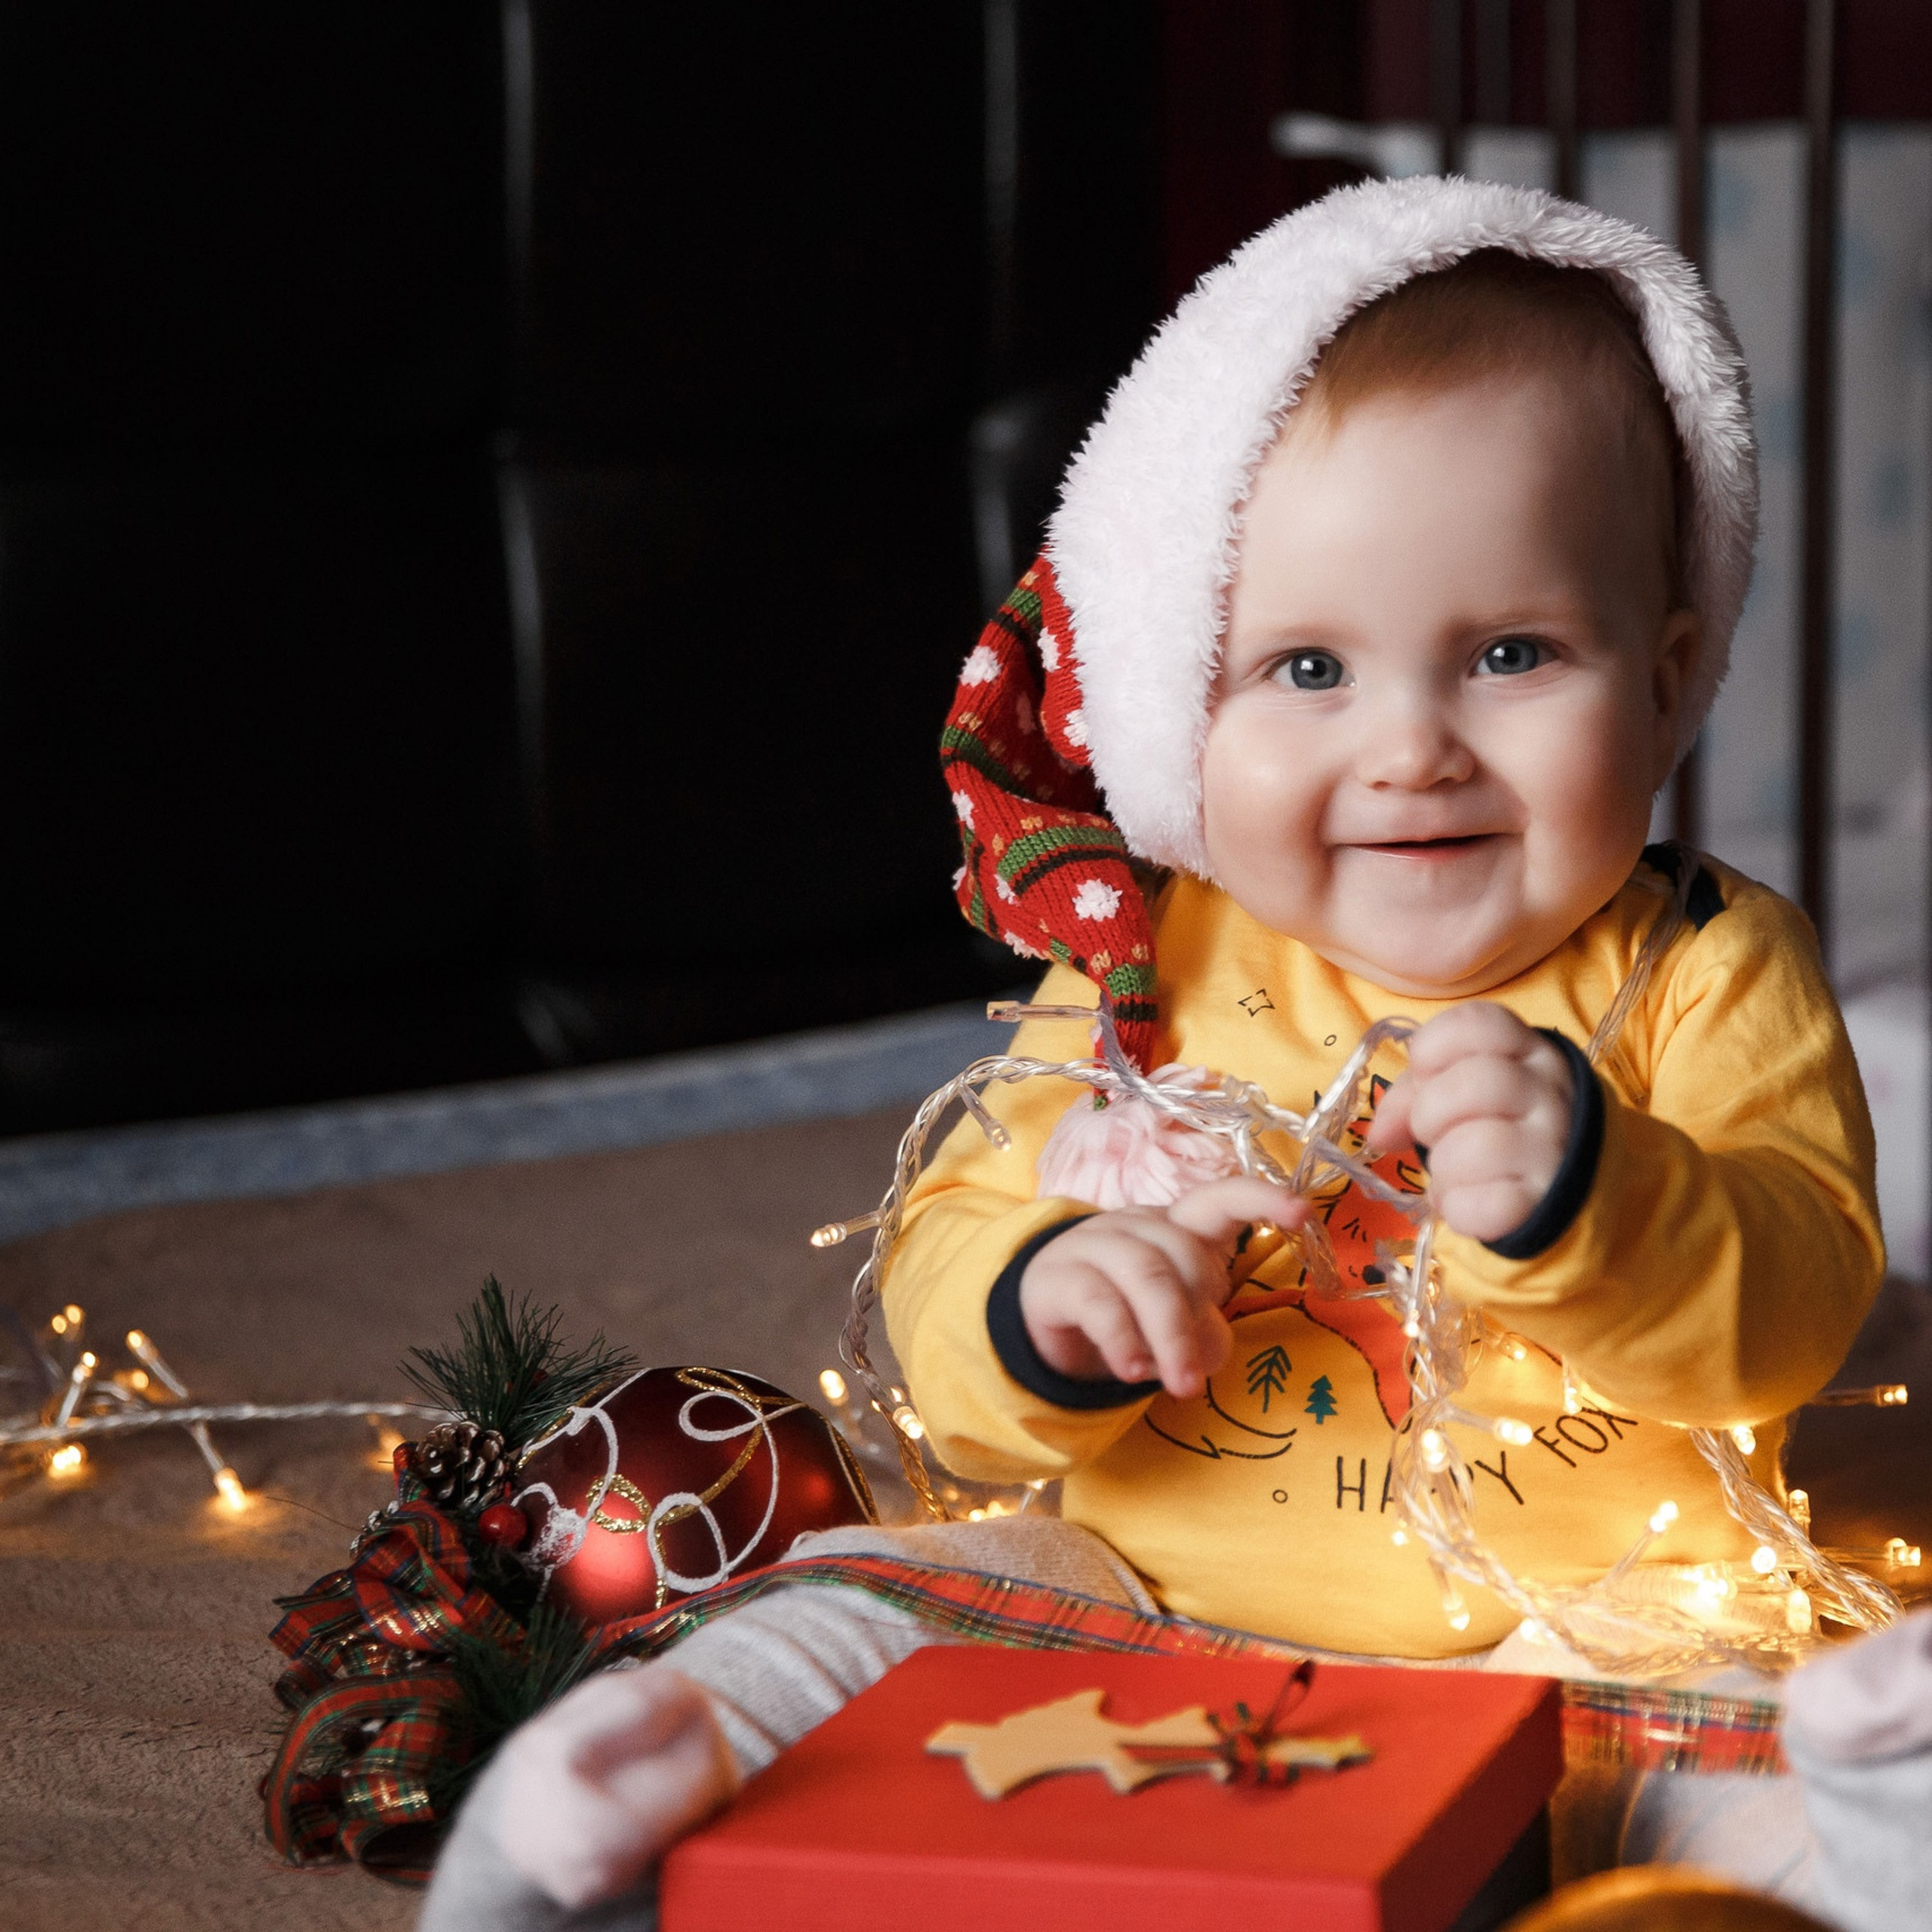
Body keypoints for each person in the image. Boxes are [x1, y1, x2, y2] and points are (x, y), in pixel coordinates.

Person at [419, 175, 1880, 1930]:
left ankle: (1883, 1836)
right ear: (1176, 698)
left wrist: (1599, 1193)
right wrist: (1052, 1299)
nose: (1409, 747)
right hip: (1130, 1598)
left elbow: (1794, 1301)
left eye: (1508, 653)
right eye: (1307, 666)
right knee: (862, 1596)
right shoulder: (1143, 963)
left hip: (1569, 1629)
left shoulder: (1701, 966)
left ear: (1665, 672)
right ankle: (619, 1818)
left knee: (1744, 1759)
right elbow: (941, 1310)